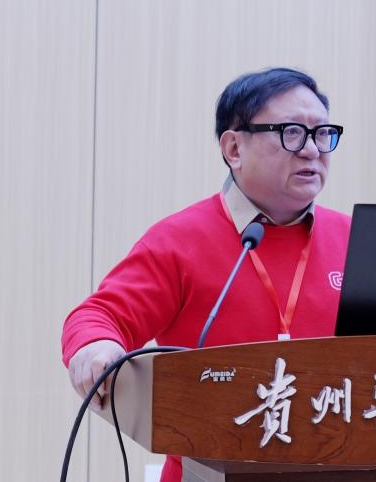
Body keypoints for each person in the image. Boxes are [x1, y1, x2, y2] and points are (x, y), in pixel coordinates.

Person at [61, 67, 351, 482]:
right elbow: (99, 316)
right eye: (291, 132)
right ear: (234, 148)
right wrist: (96, 347)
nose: (311, 150)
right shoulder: (180, 240)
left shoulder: (354, 239)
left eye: (322, 134)